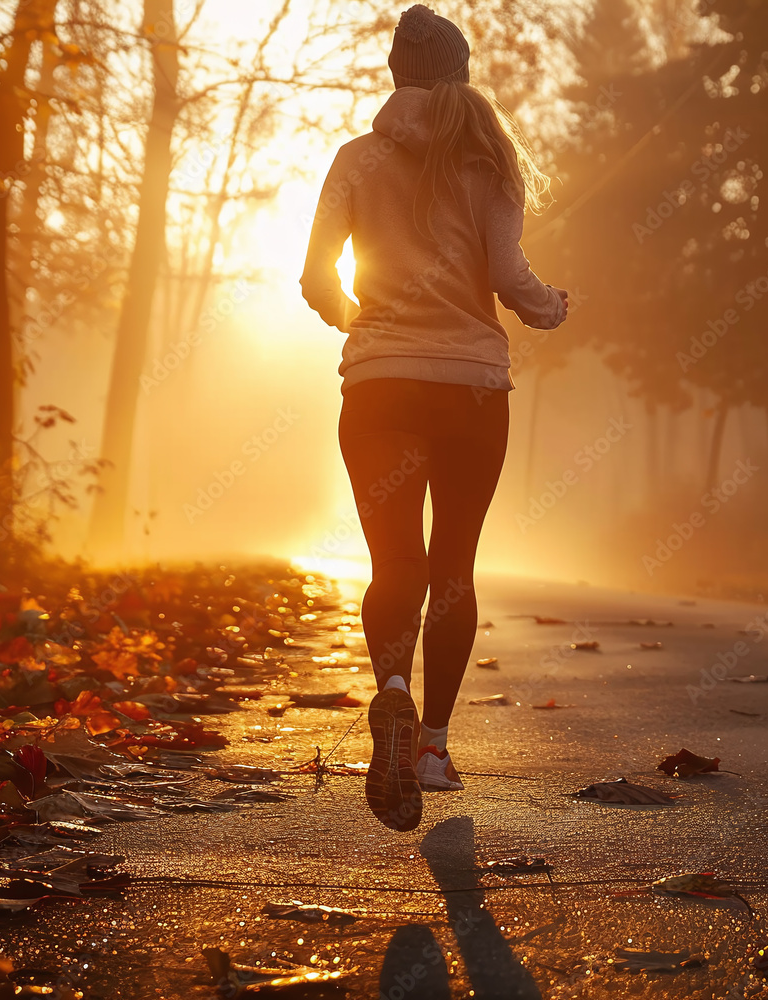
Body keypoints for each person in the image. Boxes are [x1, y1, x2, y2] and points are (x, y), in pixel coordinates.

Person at [299, 4, 569, 831]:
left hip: (380, 386)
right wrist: (551, 308)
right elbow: (509, 273)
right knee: (454, 563)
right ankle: (432, 750)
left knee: (394, 562)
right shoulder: (488, 164)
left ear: (393, 73)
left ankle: (391, 692)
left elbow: (316, 278)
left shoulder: (355, 159)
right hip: (472, 391)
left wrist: (366, 328)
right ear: (458, 73)